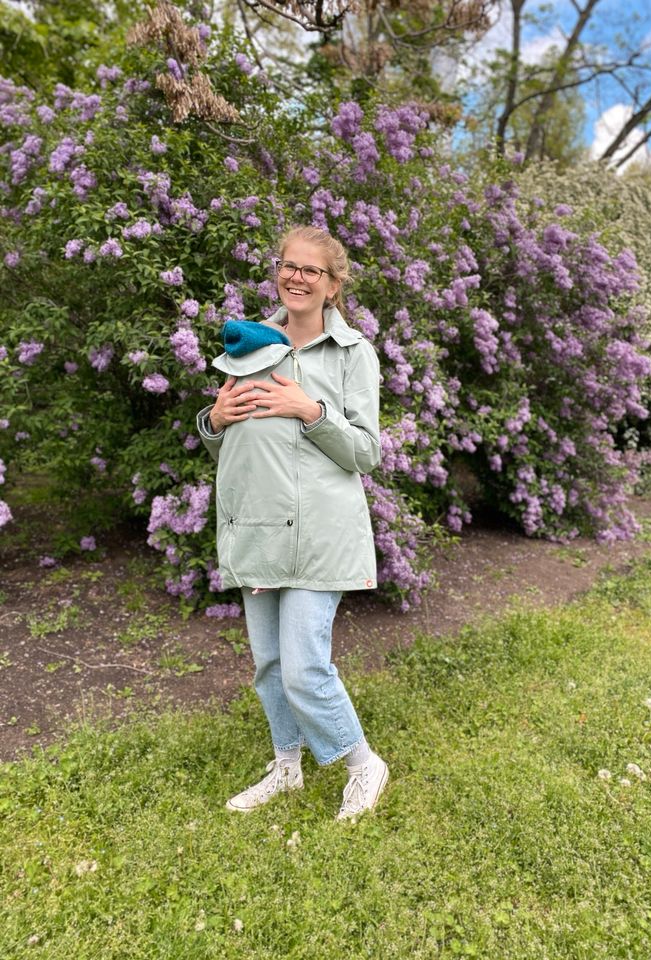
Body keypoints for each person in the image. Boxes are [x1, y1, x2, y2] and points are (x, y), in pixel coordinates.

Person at [196, 225, 389, 822]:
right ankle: (287, 767)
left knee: (305, 666)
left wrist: (312, 411)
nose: (296, 277)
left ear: (332, 285)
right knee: (271, 665)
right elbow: (236, 444)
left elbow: (366, 453)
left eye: (311, 270)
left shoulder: (354, 354)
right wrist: (214, 420)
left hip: (323, 533)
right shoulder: (251, 347)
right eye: (288, 265)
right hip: (258, 524)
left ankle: (362, 764)